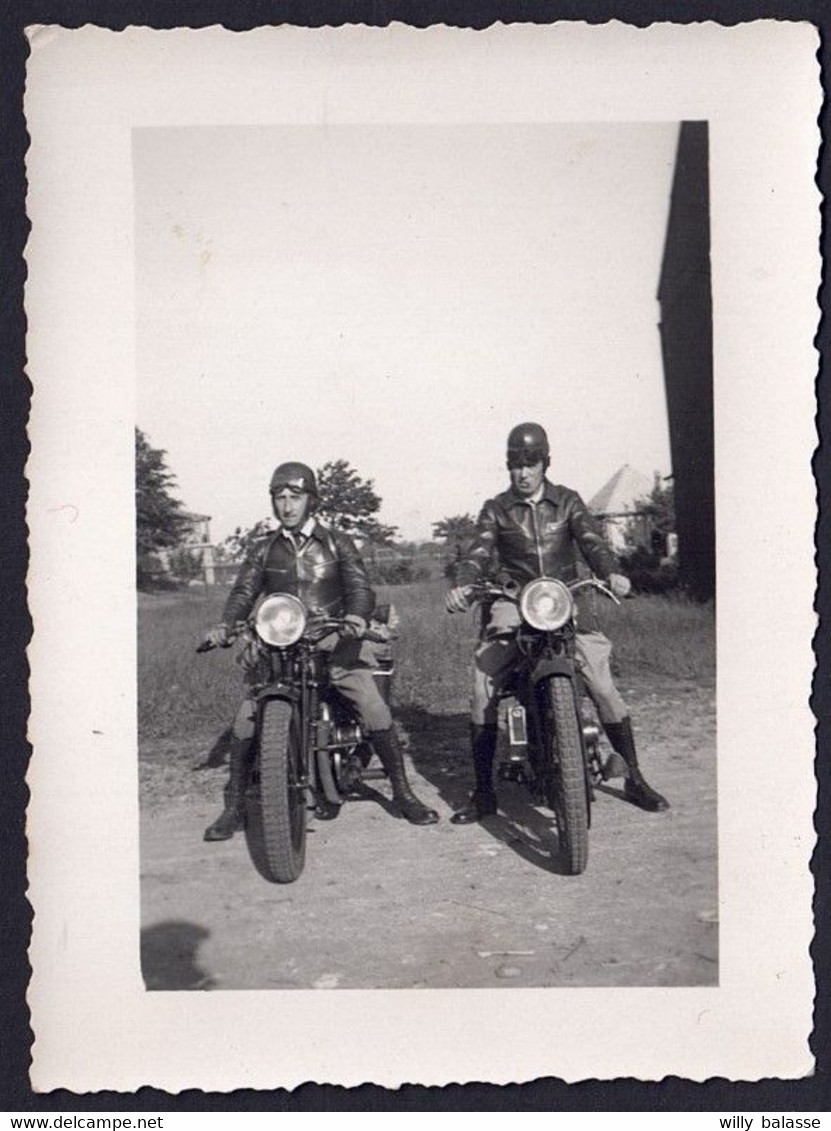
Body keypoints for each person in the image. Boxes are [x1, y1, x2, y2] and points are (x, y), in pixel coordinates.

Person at [201, 460, 438, 840]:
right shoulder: (264, 549)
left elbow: (360, 588)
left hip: (335, 642)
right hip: (280, 649)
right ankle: (234, 808)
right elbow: (244, 592)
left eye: (294, 497)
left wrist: (357, 617)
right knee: (246, 718)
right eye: (279, 497)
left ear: (311, 500)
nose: (286, 505)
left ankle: (404, 792)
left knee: (374, 706)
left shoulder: (337, 542)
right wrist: (225, 625)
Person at [445, 423, 669, 824]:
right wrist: (464, 584)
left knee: (602, 684)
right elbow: (479, 550)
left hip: (565, 598)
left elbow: (592, 541)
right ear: (508, 466)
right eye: (516, 464)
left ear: (546, 462)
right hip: (515, 601)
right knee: (483, 687)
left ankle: (634, 777)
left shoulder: (567, 501)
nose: (523, 472)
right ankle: (483, 793)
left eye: (531, 463)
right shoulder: (496, 508)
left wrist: (611, 571)